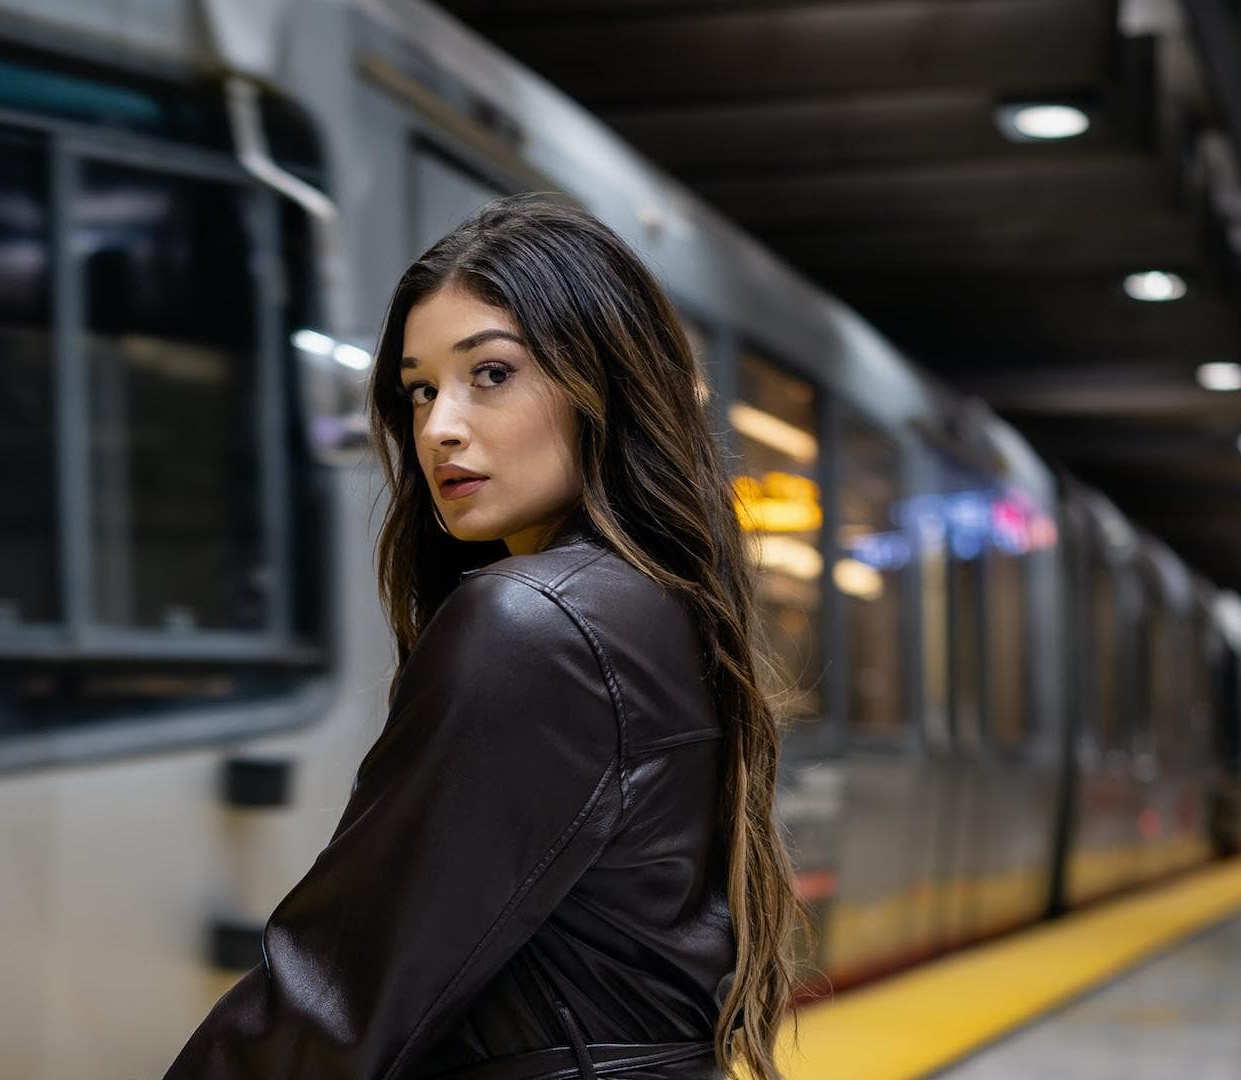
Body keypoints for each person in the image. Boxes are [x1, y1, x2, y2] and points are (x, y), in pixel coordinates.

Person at [162, 194, 806, 1080]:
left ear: (603, 381)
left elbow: (337, 1000)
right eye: (420, 389)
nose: (438, 428)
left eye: (491, 374)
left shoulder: (534, 626)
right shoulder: (661, 608)